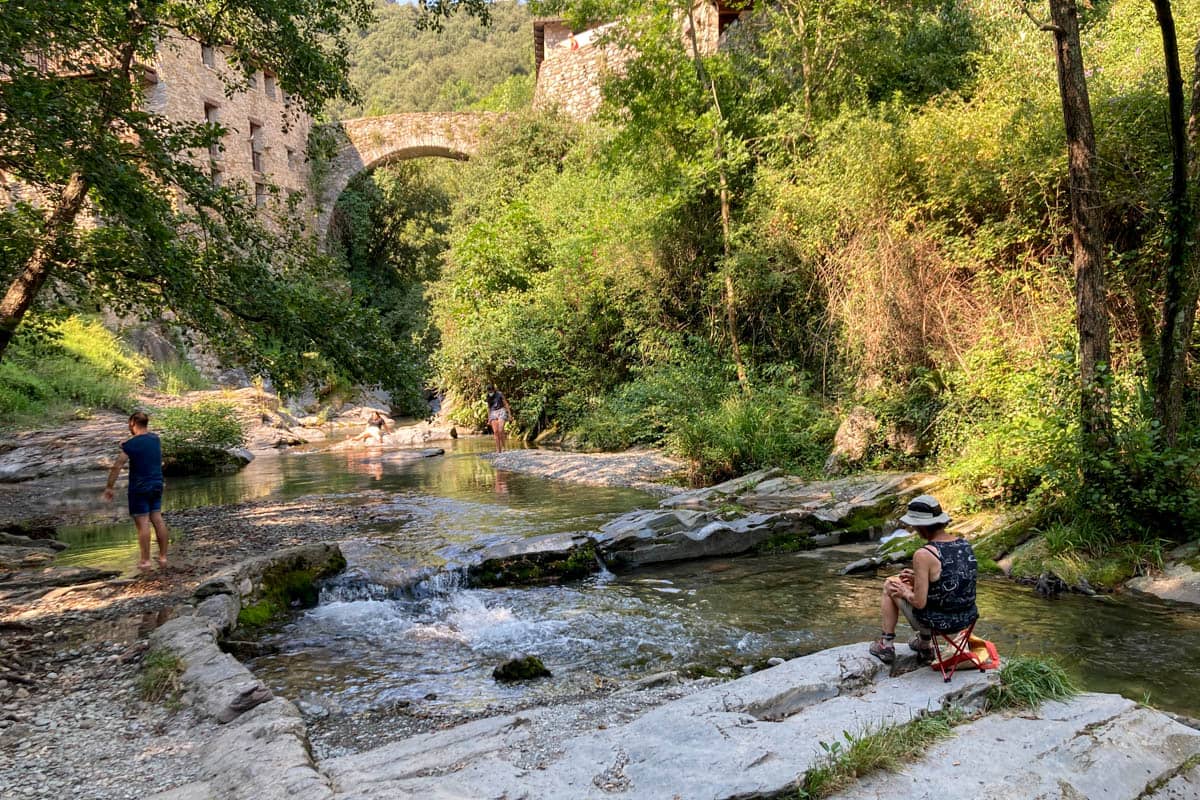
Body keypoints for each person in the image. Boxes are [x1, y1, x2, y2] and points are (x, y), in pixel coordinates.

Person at [870, 495, 978, 663]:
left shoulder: (924, 553)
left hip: (939, 624)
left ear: (922, 526)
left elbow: (919, 603)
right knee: (910, 586)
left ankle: (887, 645)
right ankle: (923, 645)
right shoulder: (964, 545)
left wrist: (906, 591)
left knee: (891, 583)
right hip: (966, 620)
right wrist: (918, 579)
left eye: (914, 525)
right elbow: (956, 582)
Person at [102, 411, 169, 571]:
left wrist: (110, 487)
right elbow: (144, 446)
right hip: (157, 483)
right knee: (157, 519)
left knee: (143, 522)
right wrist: (127, 445)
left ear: (132, 423)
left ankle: (145, 561)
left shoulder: (131, 445)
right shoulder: (155, 439)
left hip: (139, 487)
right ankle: (163, 557)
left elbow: (118, 465)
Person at [485, 385, 513, 452]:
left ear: (494, 390)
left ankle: (504, 447)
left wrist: (509, 414)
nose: (490, 392)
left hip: (501, 411)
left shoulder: (499, 394)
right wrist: (489, 418)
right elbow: (489, 408)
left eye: (491, 391)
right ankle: (498, 449)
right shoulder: (488, 396)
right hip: (493, 412)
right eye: (489, 391)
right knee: (496, 431)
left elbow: (506, 404)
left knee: (500, 430)